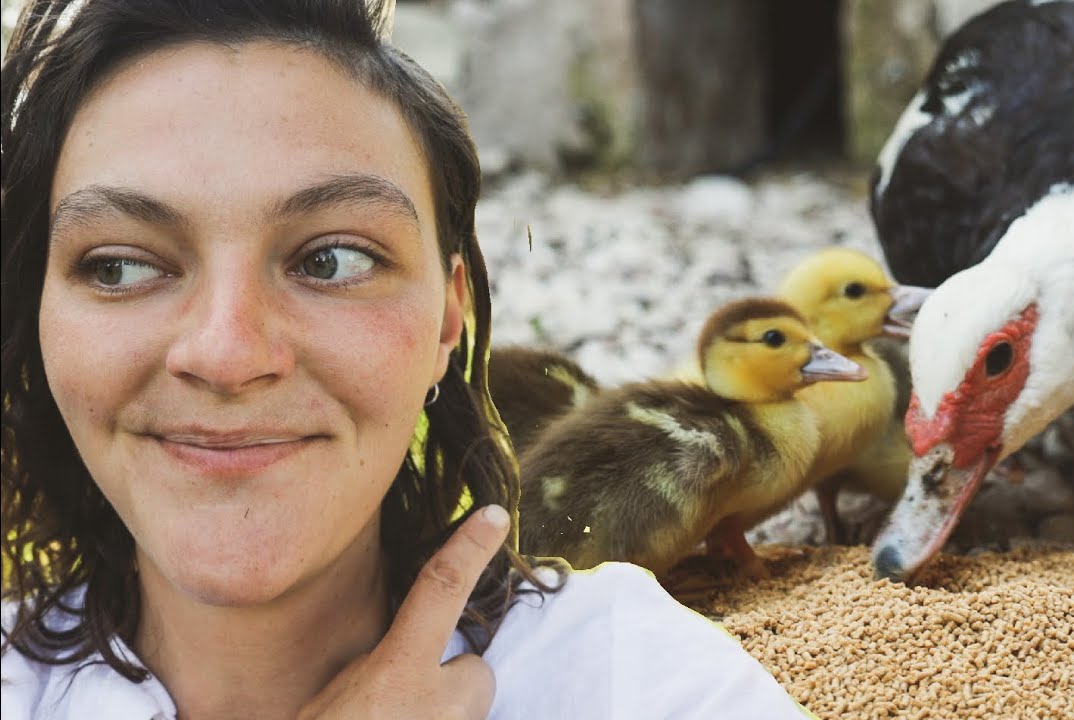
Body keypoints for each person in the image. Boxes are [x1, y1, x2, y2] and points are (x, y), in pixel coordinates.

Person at [0, 1, 813, 718]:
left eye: (331, 261)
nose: (227, 353)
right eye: (119, 266)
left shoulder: (626, 679)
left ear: (447, 317)